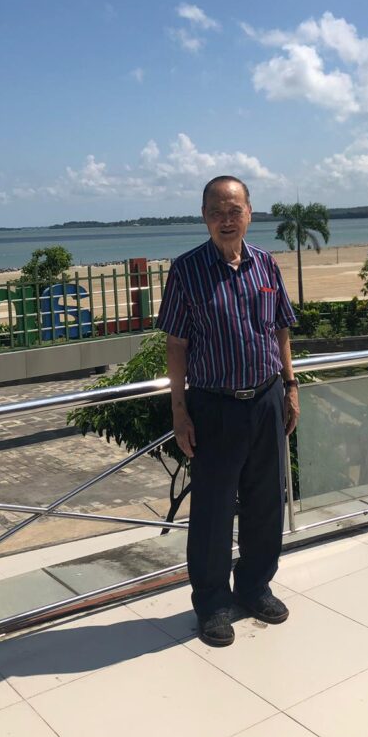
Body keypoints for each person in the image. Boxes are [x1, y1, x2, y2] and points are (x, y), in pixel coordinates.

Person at [156, 175, 300, 647]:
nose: (226, 219)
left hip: (267, 398)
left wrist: (291, 386)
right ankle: (213, 603)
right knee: (213, 512)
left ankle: (255, 587)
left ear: (249, 213)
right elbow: (176, 346)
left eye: (234, 210)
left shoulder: (265, 264)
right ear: (204, 217)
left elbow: (280, 329)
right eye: (216, 211)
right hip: (214, 406)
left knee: (266, 503)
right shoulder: (186, 270)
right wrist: (179, 412)